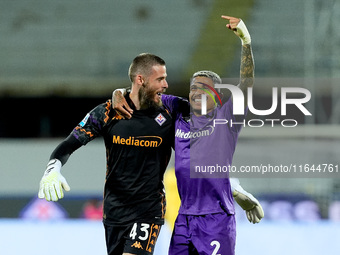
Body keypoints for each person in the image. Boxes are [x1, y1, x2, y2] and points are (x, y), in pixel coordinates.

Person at [112, 15, 264, 255]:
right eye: (193, 87)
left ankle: (232, 187)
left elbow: (247, 85)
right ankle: (233, 186)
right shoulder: (177, 113)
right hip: (184, 217)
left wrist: (246, 42)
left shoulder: (226, 120)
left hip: (216, 219)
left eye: (203, 89)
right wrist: (118, 91)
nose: (195, 92)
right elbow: (144, 90)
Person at [38, 53, 175, 255]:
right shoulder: (107, 112)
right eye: (160, 79)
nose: (166, 84)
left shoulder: (171, 112)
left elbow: (206, 108)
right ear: (140, 79)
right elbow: (69, 144)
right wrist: (53, 168)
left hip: (148, 211)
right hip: (114, 213)